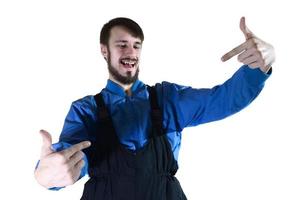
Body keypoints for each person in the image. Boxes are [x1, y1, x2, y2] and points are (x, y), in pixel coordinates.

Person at [34, 17, 275, 199]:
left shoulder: (167, 99)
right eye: (122, 45)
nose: (131, 52)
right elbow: (69, 158)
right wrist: (46, 175)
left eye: (136, 45)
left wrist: (259, 67)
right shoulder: (86, 110)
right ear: (104, 51)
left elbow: (223, 100)